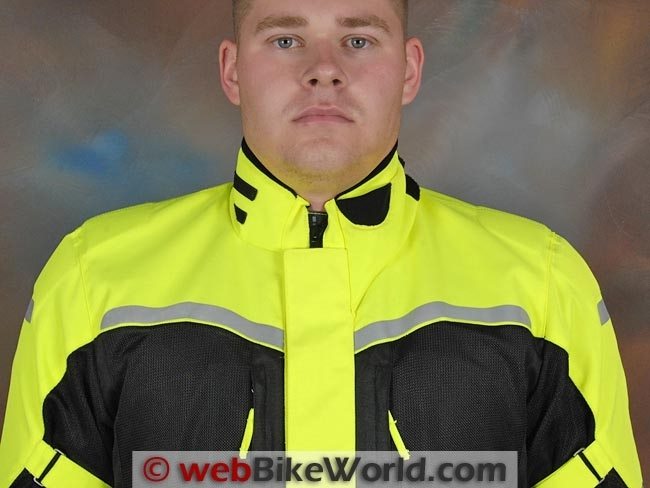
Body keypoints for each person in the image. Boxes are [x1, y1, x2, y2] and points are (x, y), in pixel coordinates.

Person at [0, 0, 643, 486]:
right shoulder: (95, 278)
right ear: (232, 70)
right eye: (286, 39)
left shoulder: (539, 284)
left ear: (409, 70)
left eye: (358, 40)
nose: (324, 71)